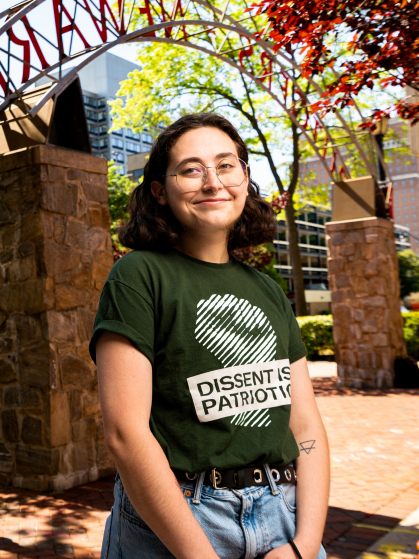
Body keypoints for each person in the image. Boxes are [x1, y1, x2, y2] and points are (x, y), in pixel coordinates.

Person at [89, 113, 330, 559]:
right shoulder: (139, 276)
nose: (212, 182)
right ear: (160, 191)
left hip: (283, 514)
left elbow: (306, 426)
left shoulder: (268, 291)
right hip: (179, 520)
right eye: (190, 169)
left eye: (226, 165)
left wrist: (305, 544)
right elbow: (126, 433)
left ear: (244, 177)